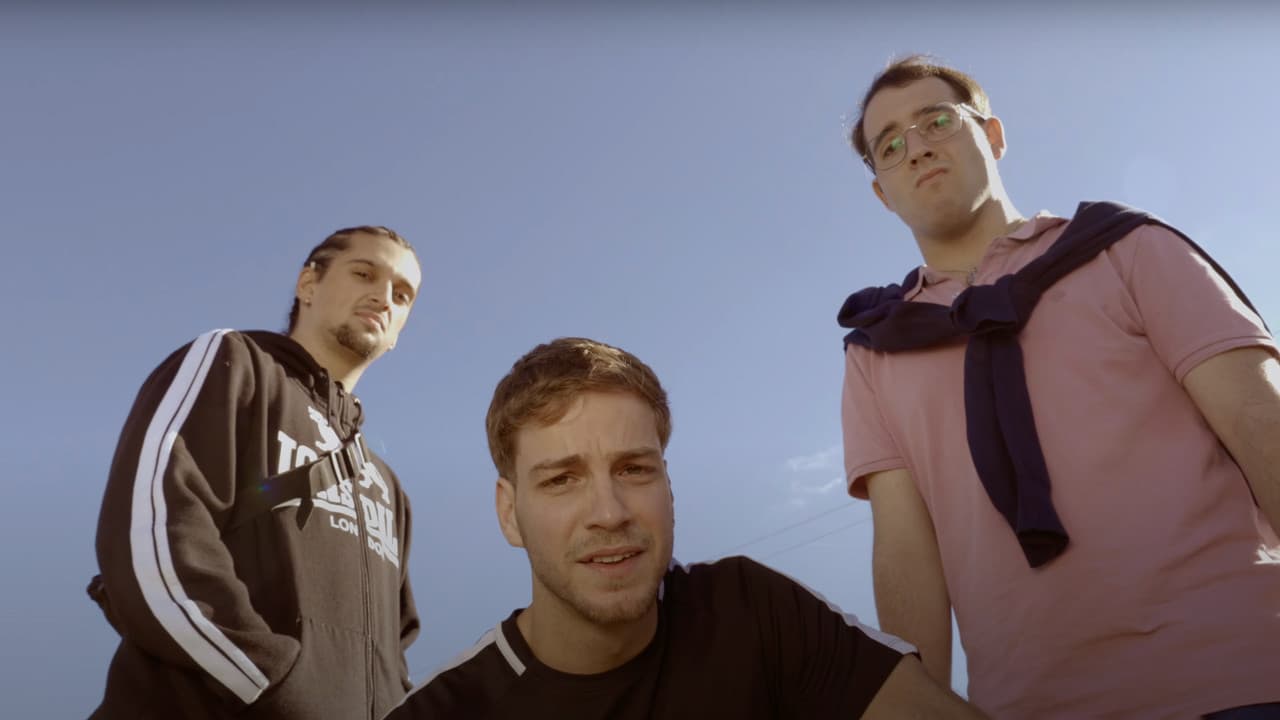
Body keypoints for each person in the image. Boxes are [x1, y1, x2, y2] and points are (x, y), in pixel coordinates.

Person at [837, 55, 1280, 719]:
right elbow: (905, 554)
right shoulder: (875, 352)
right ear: (882, 192)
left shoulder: (1125, 249)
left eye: (937, 121)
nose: (918, 147)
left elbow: (1260, 423)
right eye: (891, 145)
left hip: (1240, 678)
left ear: (992, 135)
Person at [388, 337, 985, 719]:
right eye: (562, 479)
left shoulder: (752, 611)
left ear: (669, 488)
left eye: (634, 469)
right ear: (508, 513)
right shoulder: (445, 711)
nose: (610, 512)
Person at [88, 226, 424, 719]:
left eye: (402, 294)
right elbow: (154, 531)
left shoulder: (386, 487)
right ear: (308, 284)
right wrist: (273, 686)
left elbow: (396, 644)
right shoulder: (233, 364)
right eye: (363, 273)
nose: (384, 297)